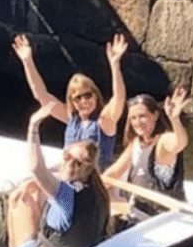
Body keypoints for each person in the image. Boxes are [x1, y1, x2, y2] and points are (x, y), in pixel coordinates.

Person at [11, 32, 128, 167]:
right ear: (72, 102)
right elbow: (41, 95)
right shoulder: (72, 120)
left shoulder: (104, 122)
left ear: (95, 95)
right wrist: (27, 61)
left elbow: (119, 98)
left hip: (93, 179)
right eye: (78, 98)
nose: (83, 101)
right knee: (30, 178)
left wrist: (115, 65)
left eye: (88, 95)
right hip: (69, 175)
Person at [10, 107, 111, 247]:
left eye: (76, 163)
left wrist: (33, 127)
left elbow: (36, 168)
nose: (69, 164)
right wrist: (35, 182)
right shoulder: (97, 189)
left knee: (19, 199)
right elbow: (53, 174)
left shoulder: (66, 194)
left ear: (87, 168)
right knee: (37, 196)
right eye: (67, 157)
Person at [103, 87, 190, 223]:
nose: (137, 122)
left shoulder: (163, 143)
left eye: (142, 116)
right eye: (133, 118)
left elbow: (180, 143)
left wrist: (175, 119)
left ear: (155, 115)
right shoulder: (136, 143)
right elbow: (113, 173)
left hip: (163, 219)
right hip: (138, 214)